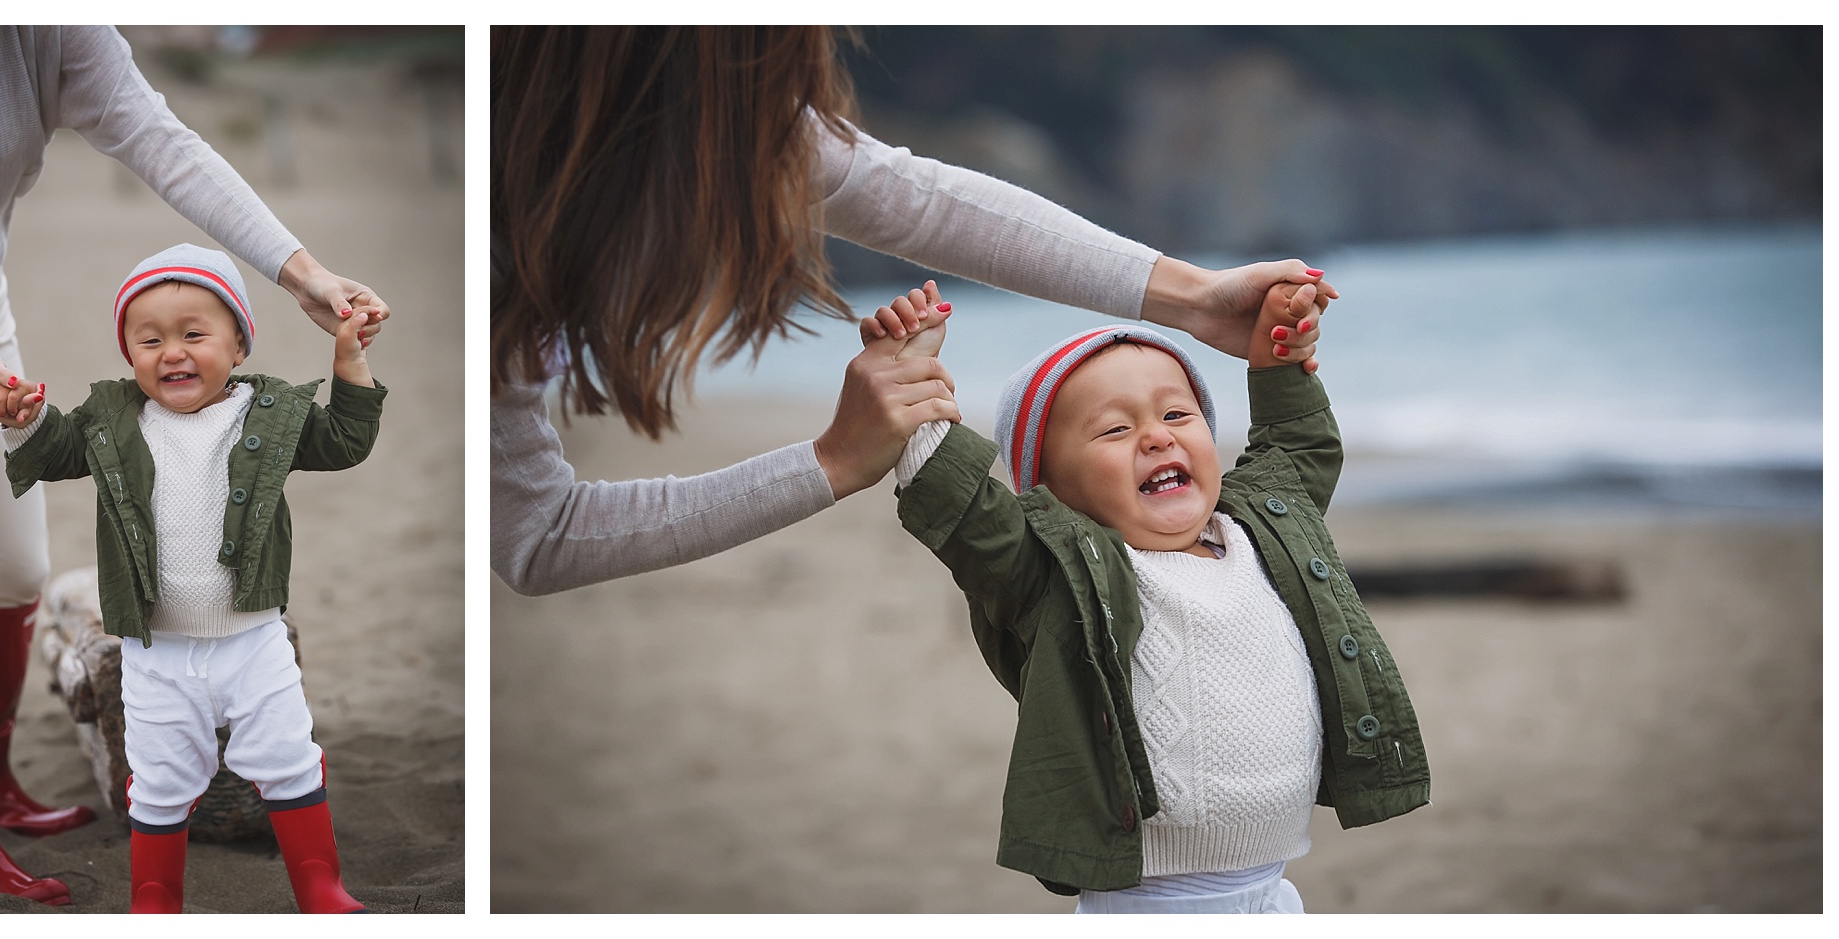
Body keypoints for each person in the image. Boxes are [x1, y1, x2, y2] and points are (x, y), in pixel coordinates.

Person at [490, 25, 1336, 596]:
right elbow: (537, 537)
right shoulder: (500, 243)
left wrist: (1193, 299)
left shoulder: (717, 113)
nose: (794, 139)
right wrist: (833, 459)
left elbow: (915, 199)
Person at [0, 25, 387, 905]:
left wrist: (298, 272)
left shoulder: (44, 30)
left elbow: (163, 142)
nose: (174, 353)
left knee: (10, 567)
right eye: (154, 341)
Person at [874, 282, 1429, 912]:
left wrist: (1276, 357)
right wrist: (909, 381)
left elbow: (1299, 446)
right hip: (1151, 905)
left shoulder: (1262, 529)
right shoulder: (1055, 574)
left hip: (1273, 891)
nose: (1157, 437)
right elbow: (972, 517)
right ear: (1048, 492)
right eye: (1113, 429)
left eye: (1176, 415)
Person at [0, 244, 381, 914]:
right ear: (130, 355)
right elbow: (53, 453)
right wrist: (22, 419)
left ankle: (321, 885)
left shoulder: (267, 414)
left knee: (287, 756)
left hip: (254, 639)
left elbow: (345, 442)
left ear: (237, 347)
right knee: (160, 779)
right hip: (155, 650)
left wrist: (349, 361)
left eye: (194, 334)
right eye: (149, 340)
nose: (171, 352)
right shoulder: (113, 420)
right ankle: (155, 895)